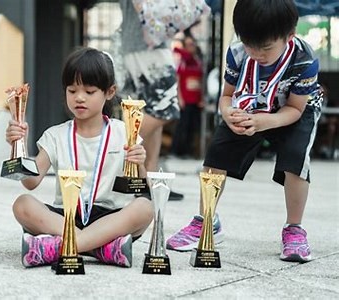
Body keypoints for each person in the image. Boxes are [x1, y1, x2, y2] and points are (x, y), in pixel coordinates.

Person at [166, 0, 323, 263]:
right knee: (216, 155)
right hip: (249, 103)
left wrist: (264, 121)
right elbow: (226, 97)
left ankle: (294, 228)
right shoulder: (238, 53)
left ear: (290, 36)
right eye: (250, 45)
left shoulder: (304, 60)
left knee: (295, 162)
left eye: (266, 48)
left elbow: (295, 109)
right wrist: (227, 113)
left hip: (294, 111)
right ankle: (206, 219)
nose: (257, 54)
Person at [6, 47, 153, 268]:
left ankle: (60, 246)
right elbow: (31, 182)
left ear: (110, 92)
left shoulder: (124, 132)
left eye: (90, 91)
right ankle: (102, 248)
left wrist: (140, 165)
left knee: (145, 207)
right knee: (22, 204)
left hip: (110, 217)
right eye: (72, 91)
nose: (79, 98)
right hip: (64, 217)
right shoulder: (55, 135)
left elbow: (143, 189)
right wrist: (18, 145)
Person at [118, 0, 184, 200]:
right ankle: (115, 153)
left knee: (150, 110)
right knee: (166, 109)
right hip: (147, 44)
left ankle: (150, 179)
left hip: (139, 42)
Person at [171, 35, 204, 158]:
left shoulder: (197, 60)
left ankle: (188, 151)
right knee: (182, 126)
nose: (192, 47)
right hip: (185, 98)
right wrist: (179, 98)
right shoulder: (184, 61)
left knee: (192, 126)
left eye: (193, 44)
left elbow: (201, 81)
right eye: (189, 45)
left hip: (195, 99)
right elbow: (178, 80)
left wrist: (201, 98)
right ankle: (177, 151)